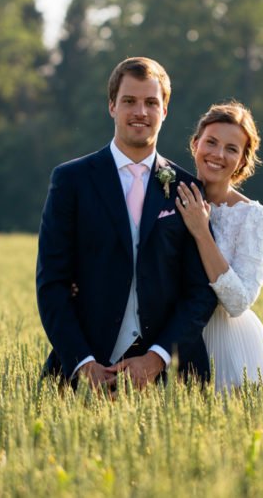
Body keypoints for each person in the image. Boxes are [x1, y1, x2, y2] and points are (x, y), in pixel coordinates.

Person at [36, 57, 217, 391]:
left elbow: (200, 292)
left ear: (165, 110)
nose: (140, 112)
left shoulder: (188, 188)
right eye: (129, 101)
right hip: (84, 372)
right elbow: (52, 284)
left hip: (172, 378)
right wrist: (83, 363)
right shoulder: (71, 181)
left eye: (151, 103)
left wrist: (157, 359)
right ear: (112, 106)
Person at [174, 102, 263, 392]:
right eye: (211, 142)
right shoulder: (169, 197)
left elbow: (238, 302)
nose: (218, 154)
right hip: (172, 337)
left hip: (230, 346)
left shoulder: (254, 217)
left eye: (231, 149)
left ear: (242, 161)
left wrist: (201, 232)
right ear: (195, 144)